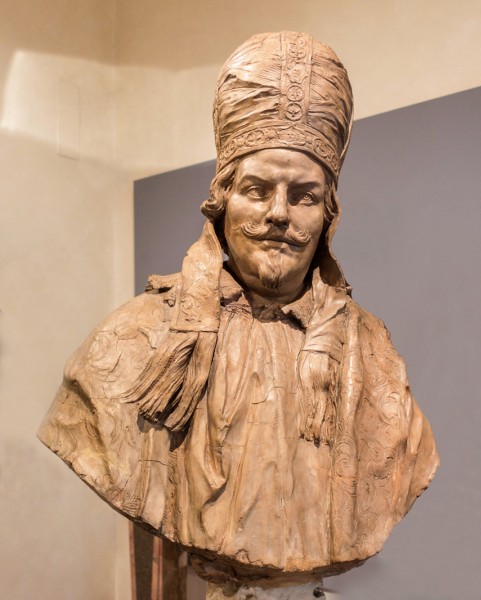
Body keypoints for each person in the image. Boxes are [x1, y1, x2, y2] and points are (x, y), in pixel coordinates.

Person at [39, 32, 438, 586]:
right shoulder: (132, 342)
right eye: (257, 189)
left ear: (329, 214)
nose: (279, 213)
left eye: (303, 196)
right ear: (221, 198)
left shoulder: (374, 356)